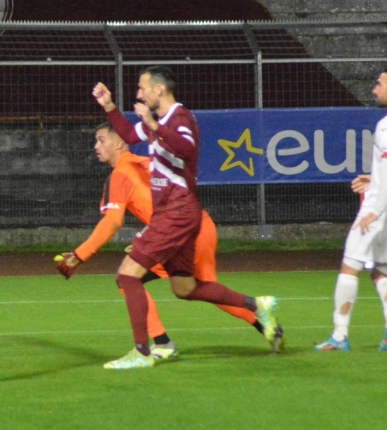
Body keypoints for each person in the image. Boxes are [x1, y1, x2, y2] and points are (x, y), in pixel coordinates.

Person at [90, 65, 281, 369]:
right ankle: (257, 305)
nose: (138, 94)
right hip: (176, 212)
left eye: (141, 88)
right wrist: (110, 107)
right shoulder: (161, 120)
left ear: (158, 90)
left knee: (127, 275)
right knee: (185, 288)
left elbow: (185, 147)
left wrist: (152, 124)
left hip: (176, 212)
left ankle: (142, 352)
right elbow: (127, 134)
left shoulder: (180, 118)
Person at [54, 122, 268, 360]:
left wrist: (80, 254)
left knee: (128, 279)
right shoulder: (143, 164)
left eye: (101, 140)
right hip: (197, 224)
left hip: (179, 232)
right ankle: (264, 321)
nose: (96, 146)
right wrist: (148, 238)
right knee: (199, 288)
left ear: (119, 143)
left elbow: (112, 222)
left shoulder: (121, 173)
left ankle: (157, 345)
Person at [316, 70, 387, 352]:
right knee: (381, 271)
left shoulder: (385, 126)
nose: (373, 89)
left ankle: (339, 335)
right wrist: (372, 178)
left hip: (376, 210)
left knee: (350, 265)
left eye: (379, 84)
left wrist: (375, 210)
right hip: (382, 207)